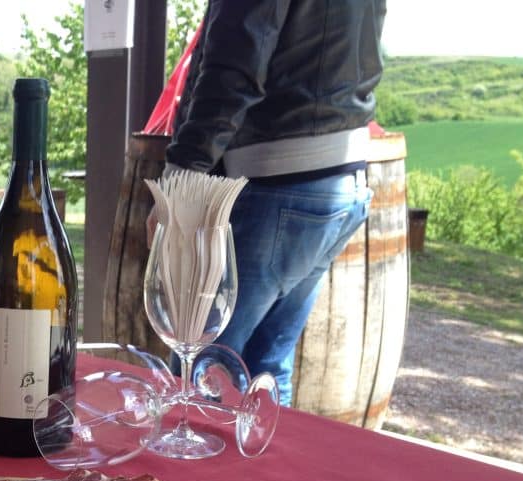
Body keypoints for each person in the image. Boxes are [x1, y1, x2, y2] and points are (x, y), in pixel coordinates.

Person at [160, 1, 386, 405]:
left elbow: (236, 61)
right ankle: (260, 467)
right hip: (342, 176)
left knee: (200, 363)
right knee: (266, 368)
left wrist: (183, 171)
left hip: (277, 177)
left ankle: (182, 471)